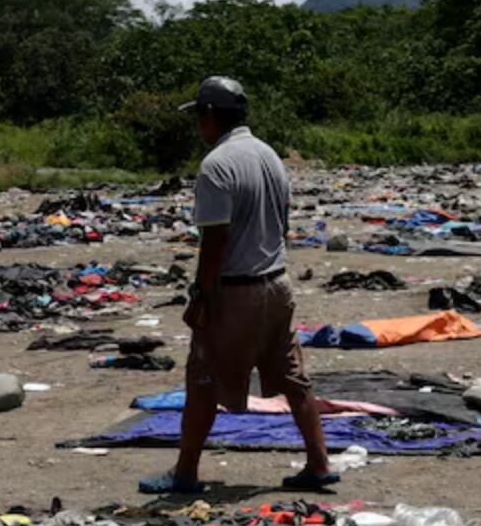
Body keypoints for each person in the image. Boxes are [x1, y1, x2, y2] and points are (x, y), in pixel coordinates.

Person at [141, 76, 341, 497]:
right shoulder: (269, 156)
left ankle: (185, 475)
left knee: (202, 378)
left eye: (199, 115)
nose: (198, 124)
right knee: (293, 377)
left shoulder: (217, 166)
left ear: (211, 116)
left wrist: (200, 295)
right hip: (277, 284)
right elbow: (283, 226)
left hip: (235, 290)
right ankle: (320, 464)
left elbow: (214, 241)